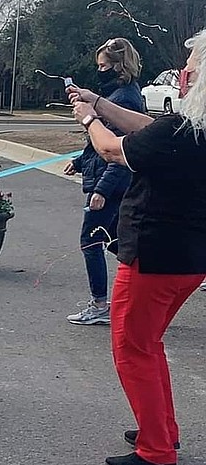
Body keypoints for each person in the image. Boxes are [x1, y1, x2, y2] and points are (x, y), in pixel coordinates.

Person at [67, 29, 206, 465]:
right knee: (148, 345)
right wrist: (99, 103)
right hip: (187, 257)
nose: (184, 74)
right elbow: (147, 128)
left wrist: (89, 120)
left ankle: (156, 451)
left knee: (131, 348)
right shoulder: (187, 132)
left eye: (192, 68)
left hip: (154, 254)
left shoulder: (182, 134)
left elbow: (111, 150)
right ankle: (162, 429)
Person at [63, 37, 144, 326]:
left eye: (103, 66)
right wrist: (80, 161)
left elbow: (121, 149)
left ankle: (99, 304)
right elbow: (98, 141)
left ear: (118, 67)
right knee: (116, 241)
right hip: (105, 177)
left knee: (91, 240)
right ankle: (144, 286)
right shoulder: (115, 97)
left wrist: (101, 190)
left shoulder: (124, 99)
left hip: (111, 181)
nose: (99, 71)